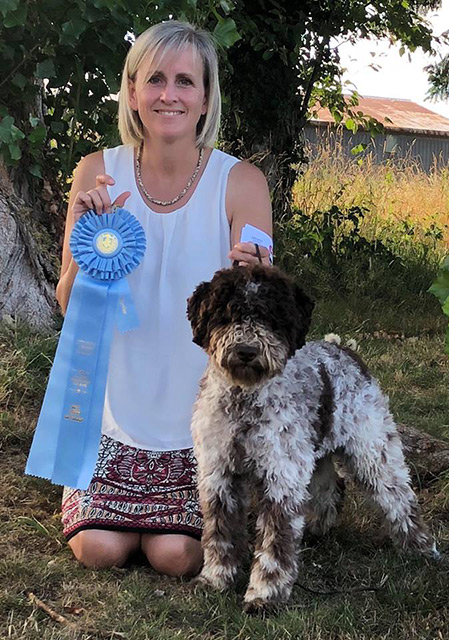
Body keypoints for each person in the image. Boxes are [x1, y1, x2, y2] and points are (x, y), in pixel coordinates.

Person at [55, 20, 272, 577]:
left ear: (205, 97)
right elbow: (66, 300)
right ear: (132, 92)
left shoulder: (242, 182)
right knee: (98, 549)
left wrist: (257, 276)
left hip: (200, 419)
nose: (168, 94)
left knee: (175, 555)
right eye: (154, 79)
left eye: (184, 81)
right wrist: (85, 239)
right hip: (112, 413)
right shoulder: (96, 172)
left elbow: (255, 300)